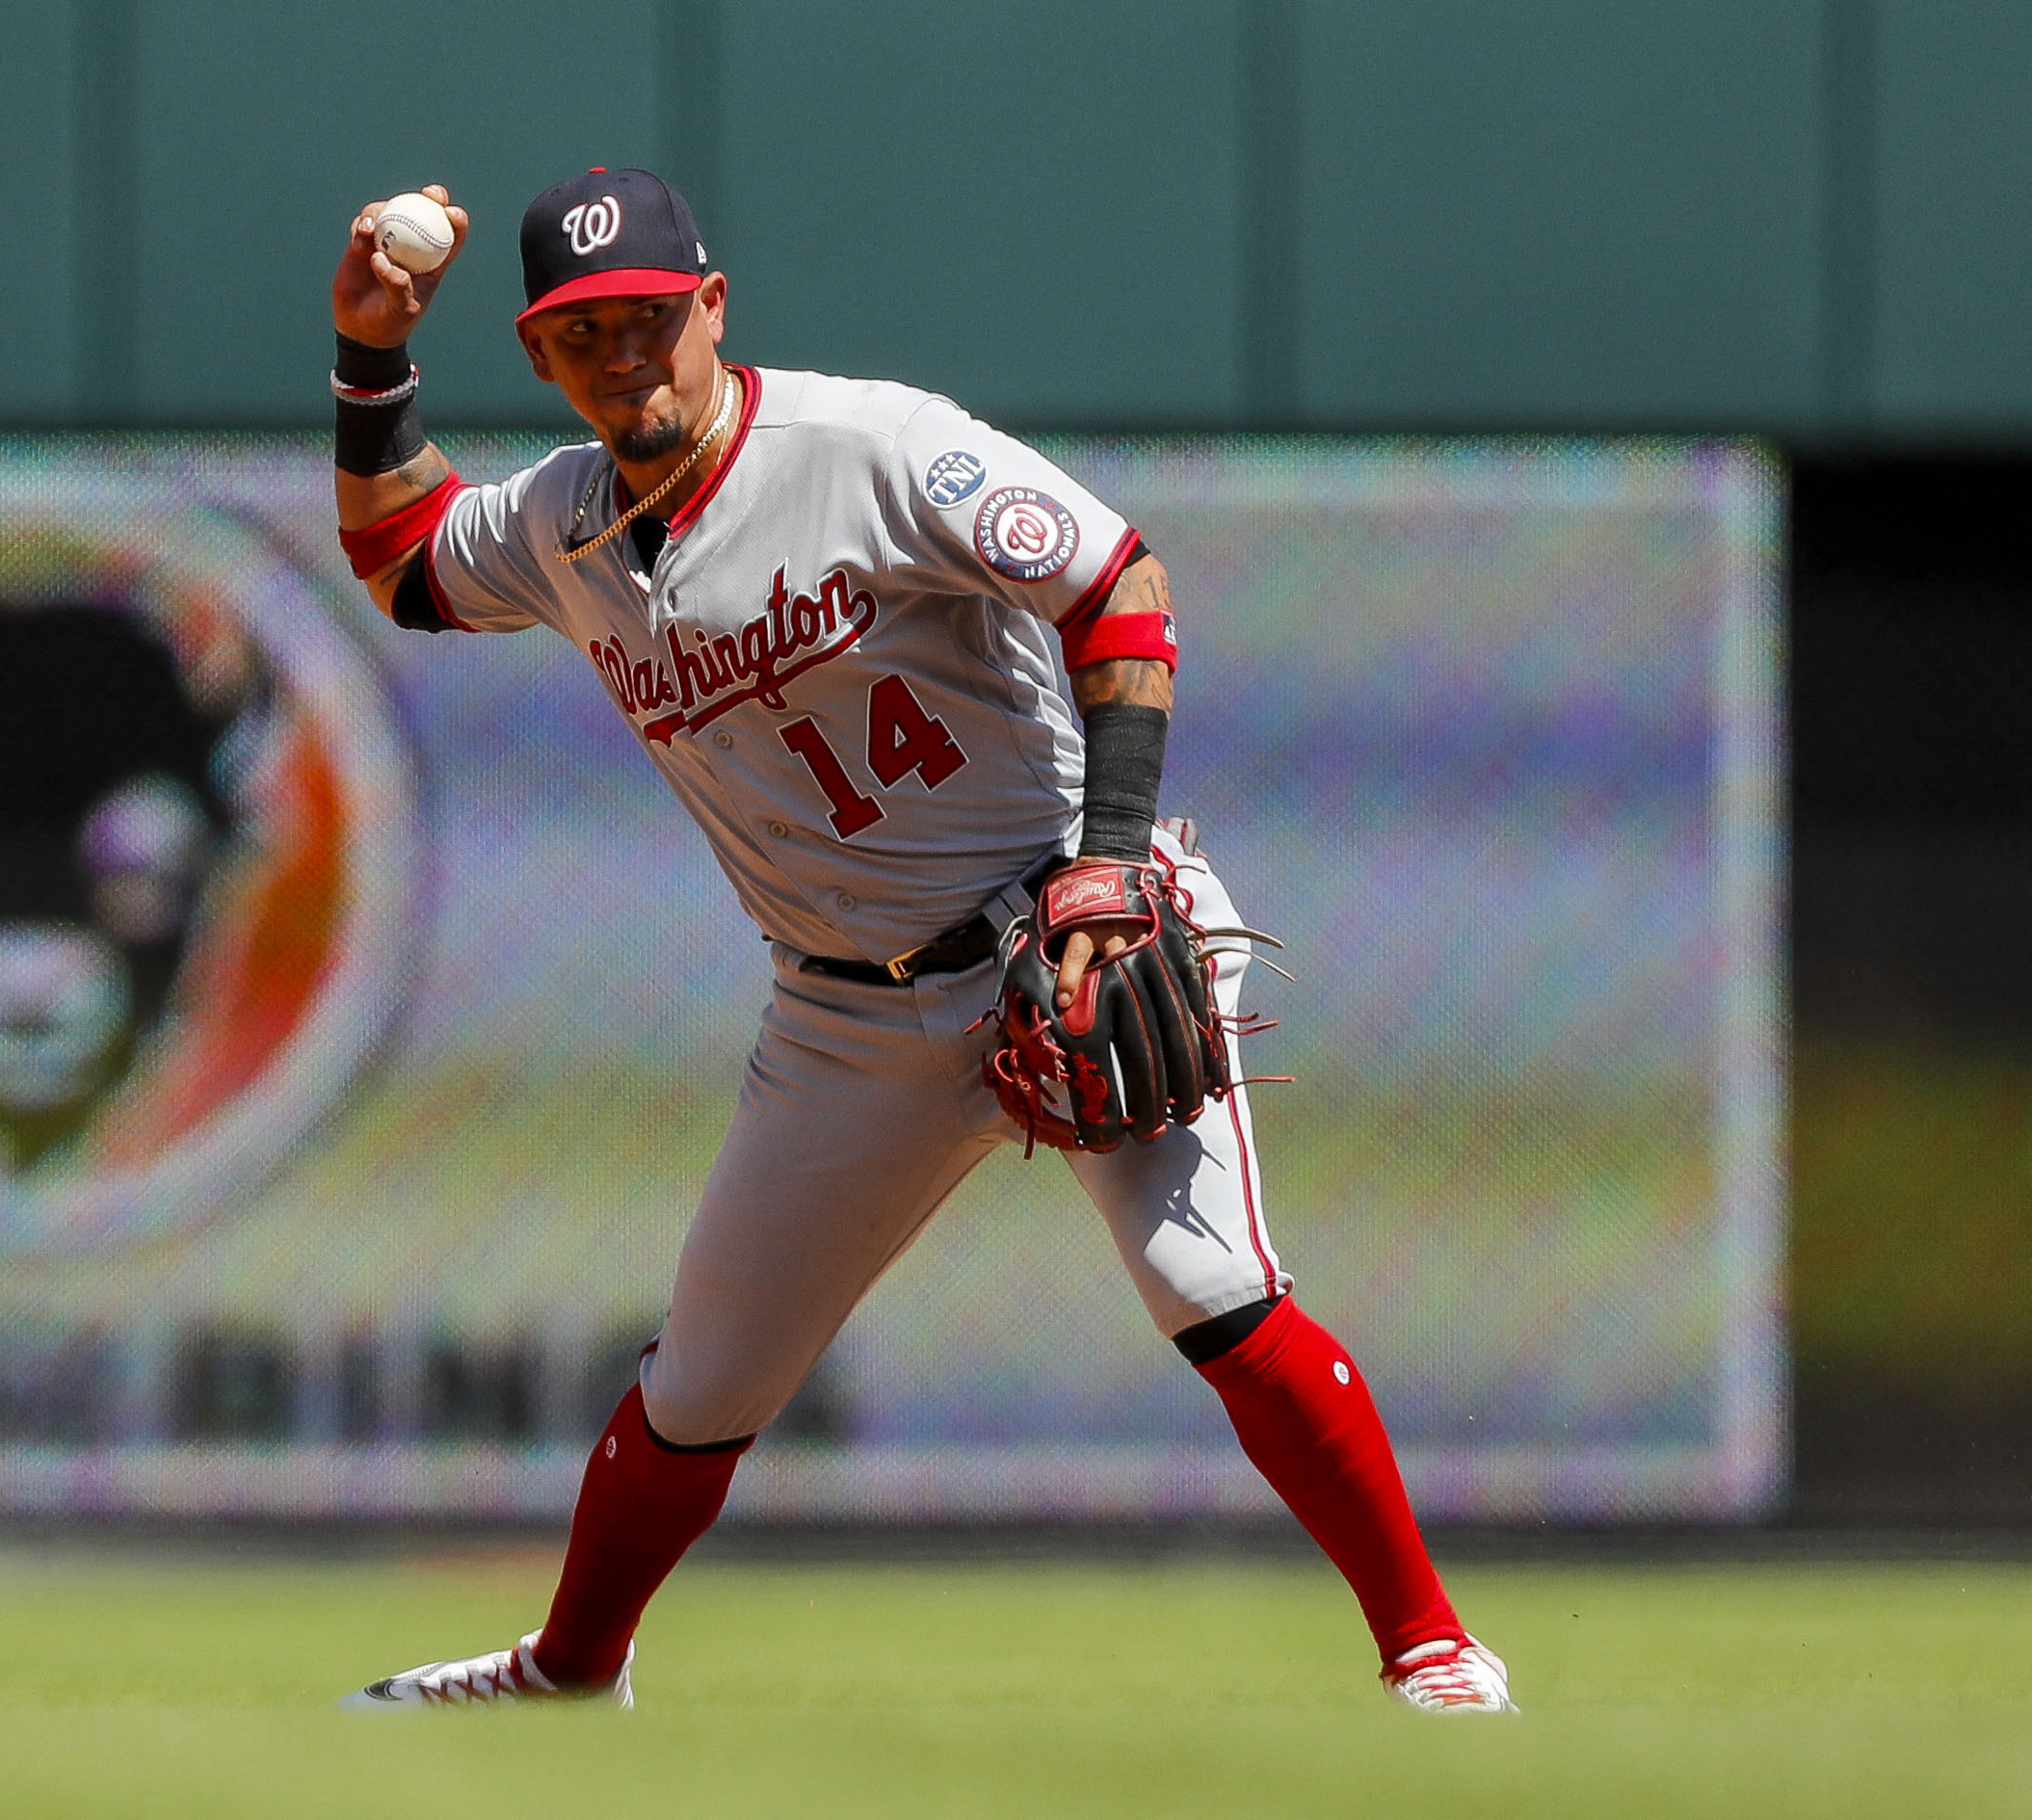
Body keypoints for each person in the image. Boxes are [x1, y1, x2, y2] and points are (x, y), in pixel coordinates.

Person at [326, 169, 1512, 1715]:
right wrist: (366, 357)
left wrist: (1100, 872)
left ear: (712, 310)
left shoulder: (869, 447)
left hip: (1063, 934)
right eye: (582, 336)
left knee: (1202, 1279)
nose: (625, 358)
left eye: (649, 322)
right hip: (841, 1016)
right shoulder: (560, 521)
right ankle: (567, 1670)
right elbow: (405, 560)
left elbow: (1118, 587)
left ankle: (1430, 1643)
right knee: (700, 1382)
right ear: (542, 358)